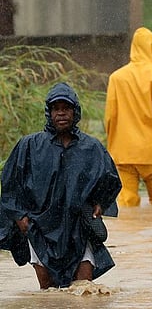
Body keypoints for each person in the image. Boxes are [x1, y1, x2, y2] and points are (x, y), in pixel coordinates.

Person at [0, 82, 122, 289]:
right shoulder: (29, 145)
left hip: (78, 227)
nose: (61, 113)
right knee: (48, 292)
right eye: (56, 108)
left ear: (75, 112)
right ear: (49, 113)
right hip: (39, 227)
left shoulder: (91, 147)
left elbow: (110, 179)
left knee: (84, 288)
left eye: (66, 108)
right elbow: (11, 184)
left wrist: (101, 203)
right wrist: (20, 217)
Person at [104, 27, 152, 207]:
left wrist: (112, 145)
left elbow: (110, 117)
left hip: (122, 153)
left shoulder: (116, 78)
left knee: (126, 205)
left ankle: (130, 234)